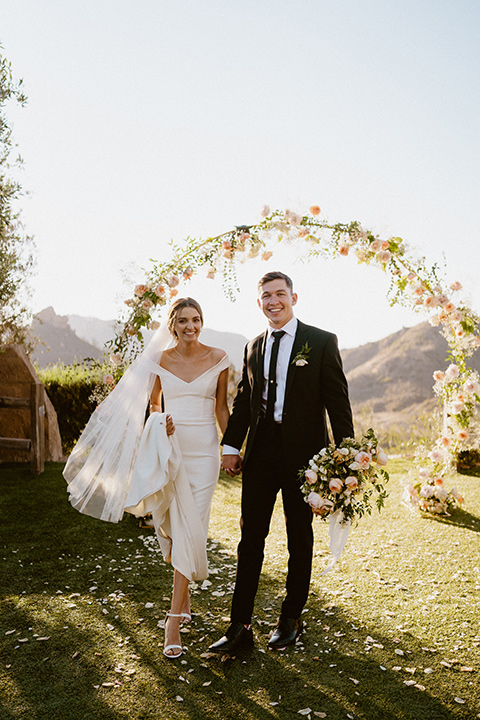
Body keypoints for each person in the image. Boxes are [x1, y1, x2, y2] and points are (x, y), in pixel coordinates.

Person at [63, 297, 229, 660]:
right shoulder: (160, 360)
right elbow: (154, 404)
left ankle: (173, 617)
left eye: (196, 319)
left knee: (192, 527)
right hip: (170, 450)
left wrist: (231, 448)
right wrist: (161, 420)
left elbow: (220, 407)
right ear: (173, 325)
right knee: (172, 526)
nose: (191, 326)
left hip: (205, 454)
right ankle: (184, 601)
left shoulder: (219, 358)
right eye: (183, 320)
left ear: (203, 321)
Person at [209, 271, 354, 654]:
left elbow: (338, 401)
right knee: (250, 538)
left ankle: (291, 617)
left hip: (305, 457)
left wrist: (346, 455)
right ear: (259, 303)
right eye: (266, 296)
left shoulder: (320, 342)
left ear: (293, 297)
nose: (274, 301)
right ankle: (239, 626)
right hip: (260, 454)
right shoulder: (253, 346)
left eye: (280, 294)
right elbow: (244, 401)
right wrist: (230, 446)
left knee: (298, 535)